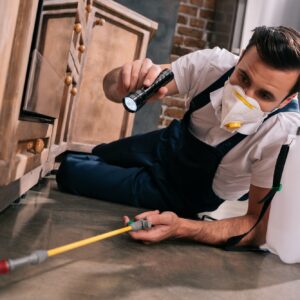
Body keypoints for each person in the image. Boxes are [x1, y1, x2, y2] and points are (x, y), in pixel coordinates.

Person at [57, 26, 300, 248]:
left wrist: (181, 228)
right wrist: (122, 80)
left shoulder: (282, 133)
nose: (244, 97)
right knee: (94, 154)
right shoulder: (213, 65)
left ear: (286, 100)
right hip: (166, 144)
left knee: (70, 171)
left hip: (183, 192)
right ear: (240, 57)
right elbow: (115, 87)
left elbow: (257, 228)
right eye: (243, 78)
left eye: (265, 95)